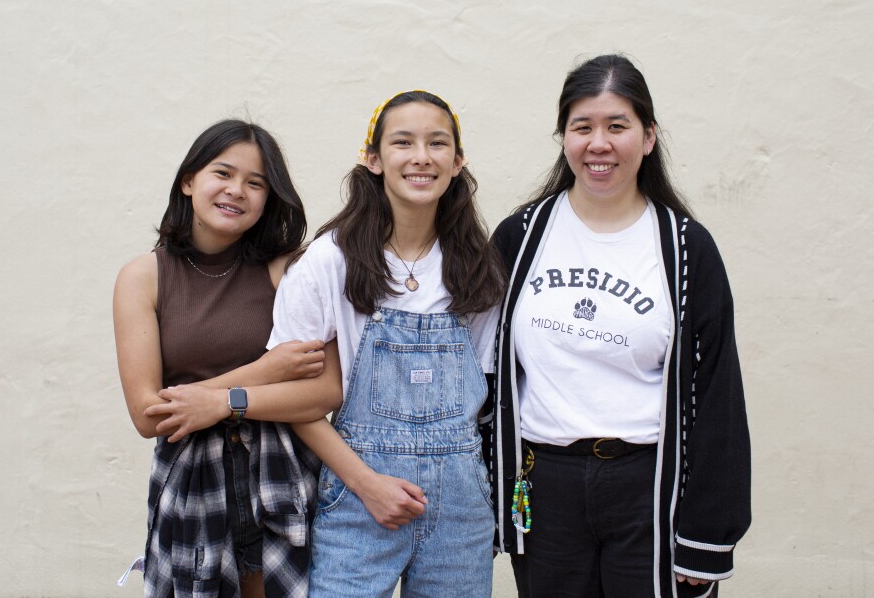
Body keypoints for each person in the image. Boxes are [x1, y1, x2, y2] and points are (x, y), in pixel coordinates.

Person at [490, 55, 751, 597]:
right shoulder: (519, 237)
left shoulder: (685, 248)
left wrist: (706, 538)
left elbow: (718, 393)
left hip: (650, 488)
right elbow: (483, 371)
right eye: (582, 127)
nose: (598, 144)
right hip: (543, 485)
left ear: (649, 137)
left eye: (617, 126)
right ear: (563, 137)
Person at [268, 91, 506, 597]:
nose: (421, 156)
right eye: (403, 142)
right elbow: (294, 399)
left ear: (457, 162)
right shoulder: (328, 263)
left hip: (460, 511)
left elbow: (484, 394)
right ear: (373, 159)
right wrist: (365, 483)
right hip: (356, 499)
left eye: (437, 143)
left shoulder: (477, 268)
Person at [113, 119, 342, 597]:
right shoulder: (143, 277)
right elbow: (147, 414)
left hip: (282, 472)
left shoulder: (287, 270)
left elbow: (324, 391)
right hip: (194, 483)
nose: (237, 191)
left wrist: (219, 401)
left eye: (255, 183)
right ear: (189, 180)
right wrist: (267, 371)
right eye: (223, 173)